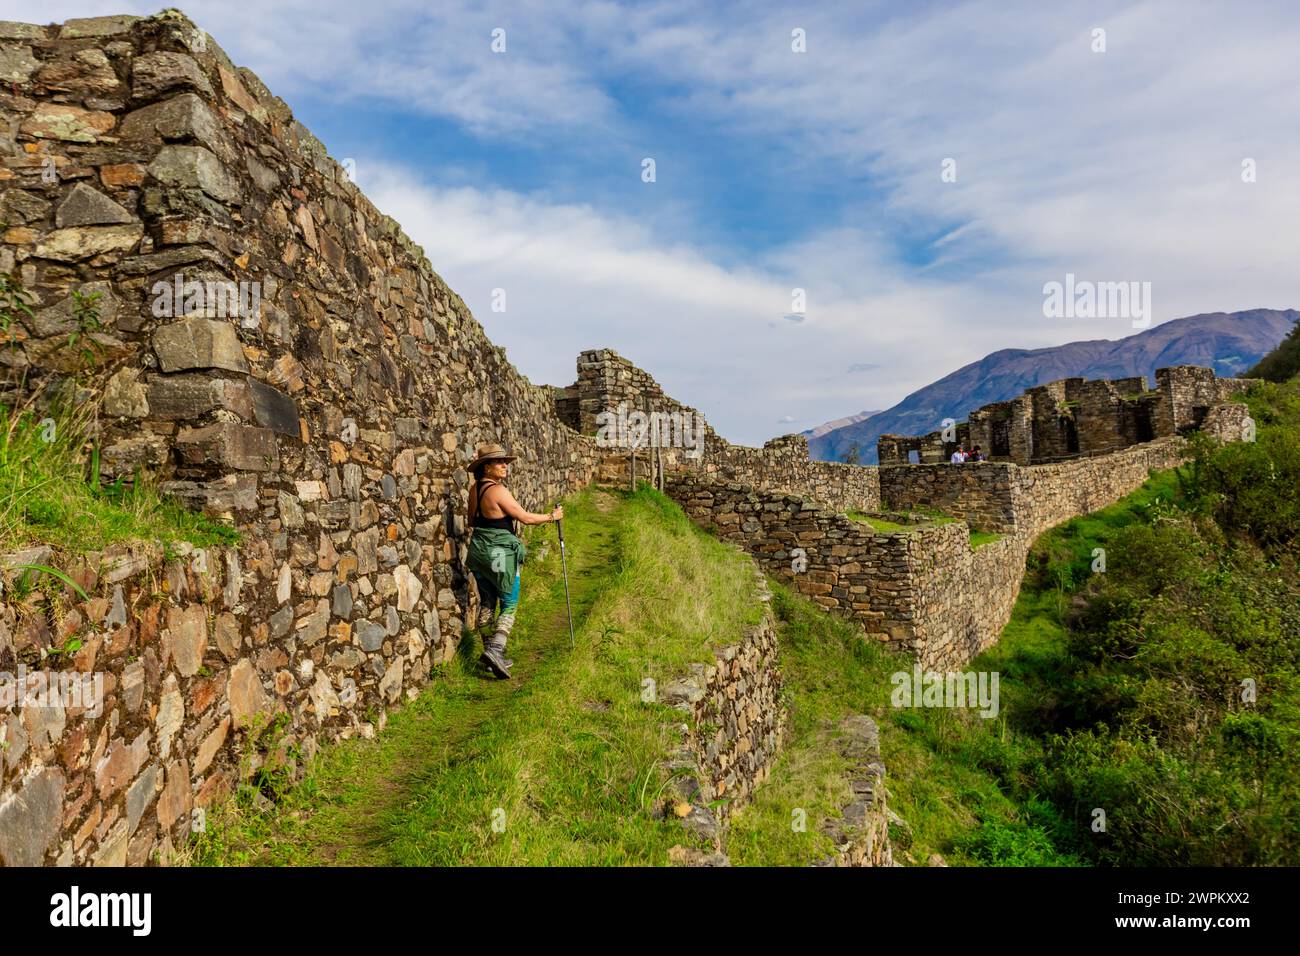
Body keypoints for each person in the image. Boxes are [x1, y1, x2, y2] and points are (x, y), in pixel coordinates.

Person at [465, 443, 563, 679]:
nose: (504, 466)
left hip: (478, 551)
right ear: (486, 467)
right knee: (509, 600)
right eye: (499, 462)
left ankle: (490, 653)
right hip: (499, 553)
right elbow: (526, 518)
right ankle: (496, 649)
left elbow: (471, 521)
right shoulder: (498, 491)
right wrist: (552, 517)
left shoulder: (474, 489)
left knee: (487, 601)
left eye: (505, 462)